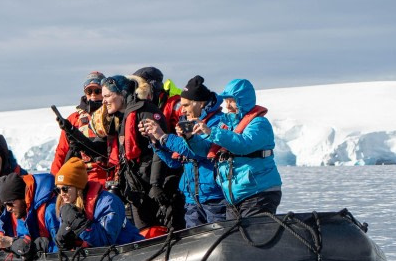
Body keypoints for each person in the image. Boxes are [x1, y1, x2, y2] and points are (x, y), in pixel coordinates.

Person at [95, 74, 183, 237]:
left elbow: (158, 148)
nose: (103, 101)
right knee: (144, 233)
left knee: (158, 231)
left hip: (153, 188)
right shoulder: (125, 117)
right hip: (137, 188)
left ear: (121, 93)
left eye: (107, 96)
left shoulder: (145, 112)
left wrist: (156, 184)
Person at [138, 75, 228, 228]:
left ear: (200, 103)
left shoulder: (219, 123)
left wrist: (163, 136)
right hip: (191, 199)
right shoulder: (187, 124)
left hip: (215, 198)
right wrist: (155, 141)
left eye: (186, 105)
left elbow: (199, 152)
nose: (182, 109)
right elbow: (175, 162)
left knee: (220, 242)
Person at [195, 78, 282, 219]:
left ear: (243, 100)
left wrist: (212, 132)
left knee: (253, 237)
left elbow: (243, 144)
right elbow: (206, 150)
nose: (227, 106)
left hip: (258, 193)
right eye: (226, 101)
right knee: (235, 239)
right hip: (234, 197)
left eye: (231, 101)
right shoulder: (226, 126)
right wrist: (189, 138)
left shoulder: (259, 124)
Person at [44, 157, 142, 250]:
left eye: (65, 189)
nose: (61, 194)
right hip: (97, 259)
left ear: (78, 188)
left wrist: (80, 225)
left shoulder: (108, 202)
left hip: (129, 250)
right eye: (58, 190)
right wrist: (66, 242)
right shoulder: (67, 207)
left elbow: (106, 241)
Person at [50, 71, 111, 183]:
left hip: (106, 173)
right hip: (80, 176)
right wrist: (53, 180)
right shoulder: (74, 119)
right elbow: (61, 152)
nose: (93, 94)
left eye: (97, 91)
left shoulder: (111, 115)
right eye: (89, 91)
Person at [0, 171, 56, 259]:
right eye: (5, 205)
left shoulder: (50, 211)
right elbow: (23, 239)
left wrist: (14, 243)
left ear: (23, 197)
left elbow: (63, 246)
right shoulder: (23, 212)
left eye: (10, 204)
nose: (8, 209)